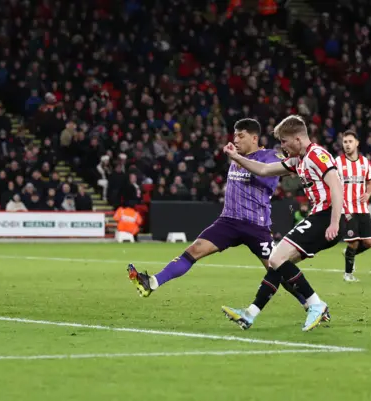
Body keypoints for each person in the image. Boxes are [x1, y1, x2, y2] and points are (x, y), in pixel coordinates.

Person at [127, 119, 307, 310]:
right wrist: (235, 156)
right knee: (194, 250)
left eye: (241, 135)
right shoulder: (236, 155)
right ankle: (152, 282)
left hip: (255, 225)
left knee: (277, 269)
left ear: (254, 138)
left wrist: (238, 158)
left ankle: (310, 304)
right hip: (228, 221)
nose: (235, 139)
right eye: (234, 135)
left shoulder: (269, 156)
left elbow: (279, 170)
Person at [221, 115, 345, 332]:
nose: (283, 147)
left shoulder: (317, 155)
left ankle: (316, 304)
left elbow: (336, 184)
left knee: (276, 257)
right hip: (320, 217)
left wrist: (334, 222)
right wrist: (235, 157)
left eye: (285, 142)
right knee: (278, 265)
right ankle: (250, 314)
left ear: (298, 139)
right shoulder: (299, 160)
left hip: (326, 216)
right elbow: (264, 170)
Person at [335, 130, 371, 282]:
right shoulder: (337, 162)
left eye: (350, 141)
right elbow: (331, 184)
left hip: (362, 208)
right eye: (345, 142)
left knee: (369, 241)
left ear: (357, 143)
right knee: (353, 242)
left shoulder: (365, 162)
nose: (347, 144)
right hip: (347, 208)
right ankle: (348, 275)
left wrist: (368, 194)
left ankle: (348, 253)